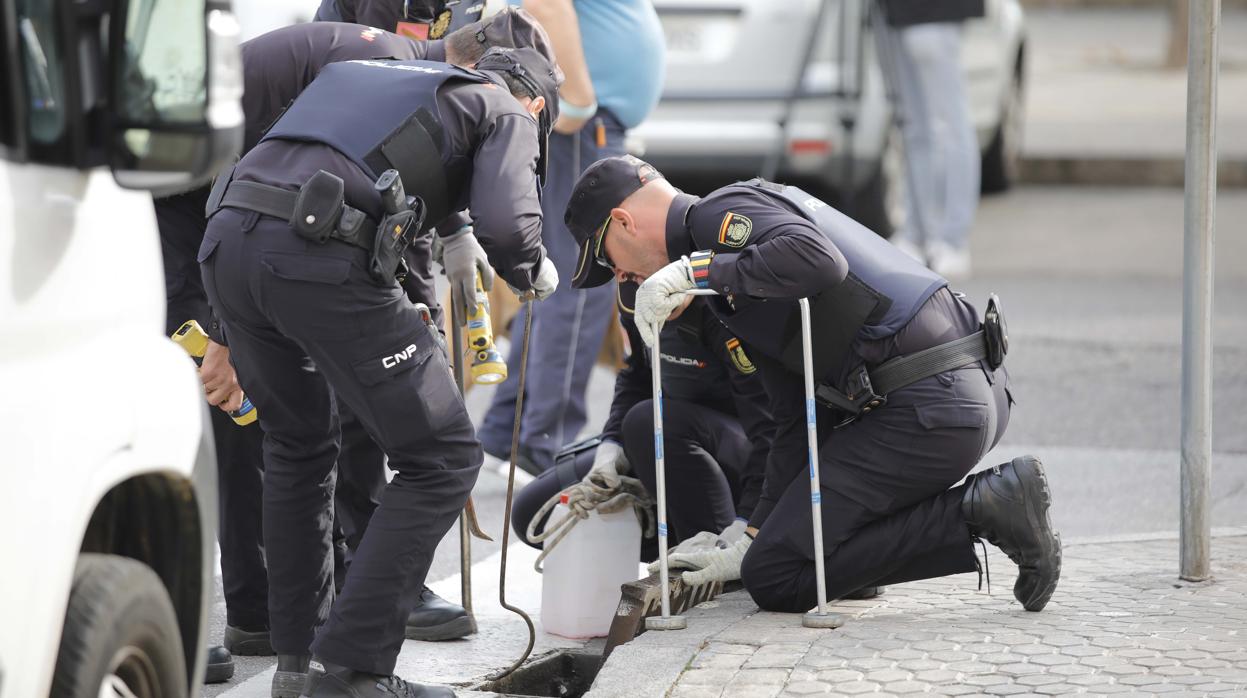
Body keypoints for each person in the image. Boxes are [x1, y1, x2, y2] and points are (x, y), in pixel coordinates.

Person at [154, 10, 561, 671]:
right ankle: (355, 669)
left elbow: (300, 174)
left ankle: (296, 661)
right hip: (313, 250)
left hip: (225, 241)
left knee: (298, 446)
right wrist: (531, 268)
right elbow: (510, 228)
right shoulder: (503, 107)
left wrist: (227, 331)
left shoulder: (374, 80)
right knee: (444, 455)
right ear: (536, 102)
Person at [562, 155, 1061, 616]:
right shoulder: (731, 272)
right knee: (800, 557)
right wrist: (750, 533)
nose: (621, 276)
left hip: (929, 404)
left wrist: (695, 270)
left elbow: (818, 260)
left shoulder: (714, 216)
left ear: (624, 223)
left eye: (608, 260)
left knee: (777, 577)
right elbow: (793, 417)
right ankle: (961, 517)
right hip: (957, 395)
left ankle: (985, 508)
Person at [477, 0, 667, 475]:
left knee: (560, 280)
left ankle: (510, 435)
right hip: (584, 122)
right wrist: (578, 100)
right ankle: (544, 447)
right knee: (583, 286)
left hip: (587, 122)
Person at [510, 286, 773, 555]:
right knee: (532, 512)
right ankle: (674, 538)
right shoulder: (636, 293)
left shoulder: (722, 304)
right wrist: (609, 450)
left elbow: (771, 431)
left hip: (744, 457)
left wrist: (748, 521)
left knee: (648, 421)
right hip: (667, 448)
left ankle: (710, 556)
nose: (620, 276)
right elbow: (635, 377)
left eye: (622, 268)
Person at [875, 0, 984, 279]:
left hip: (937, 10)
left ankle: (953, 239)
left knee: (949, 124)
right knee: (913, 125)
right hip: (893, 12)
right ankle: (916, 234)